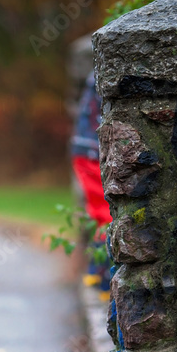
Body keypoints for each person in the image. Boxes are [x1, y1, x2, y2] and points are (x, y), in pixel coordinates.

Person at [70, 70, 112, 298]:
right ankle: (102, 279)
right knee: (105, 214)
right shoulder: (106, 69)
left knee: (100, 213)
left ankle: (97, 273)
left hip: (87, 149)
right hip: (92, 152)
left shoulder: (96, 71)